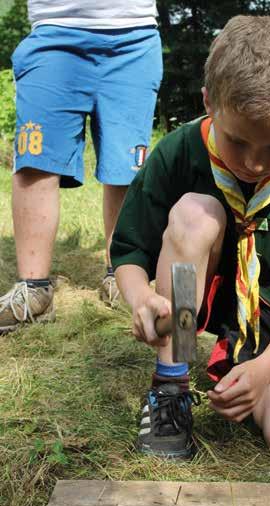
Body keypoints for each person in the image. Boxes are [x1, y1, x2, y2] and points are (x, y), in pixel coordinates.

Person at [111, 15, 270, 459]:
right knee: (197, 212)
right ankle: (171, 387)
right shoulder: (177, 153)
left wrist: (265, 369)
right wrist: (140, 297)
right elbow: (130, 250)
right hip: (191, 305)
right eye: (238, 142)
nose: (254, 164)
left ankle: (241, 366)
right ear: (208, 102)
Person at [0, 1, 163, 332]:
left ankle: (121, 275)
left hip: (134, 38)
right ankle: (34, 292)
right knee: (35, 161)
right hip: (53, 34)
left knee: (127, 169)